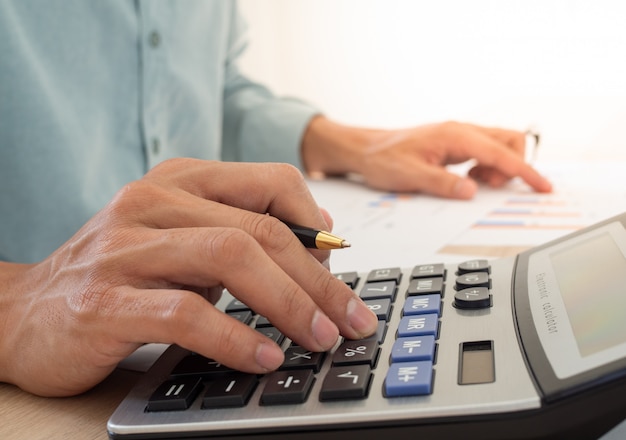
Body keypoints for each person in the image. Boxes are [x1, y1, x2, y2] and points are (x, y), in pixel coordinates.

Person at [0, 1, 551, 397]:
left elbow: (210, 90)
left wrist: (350, 144)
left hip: (197, 327)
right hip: (41, 388)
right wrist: (16, 305)